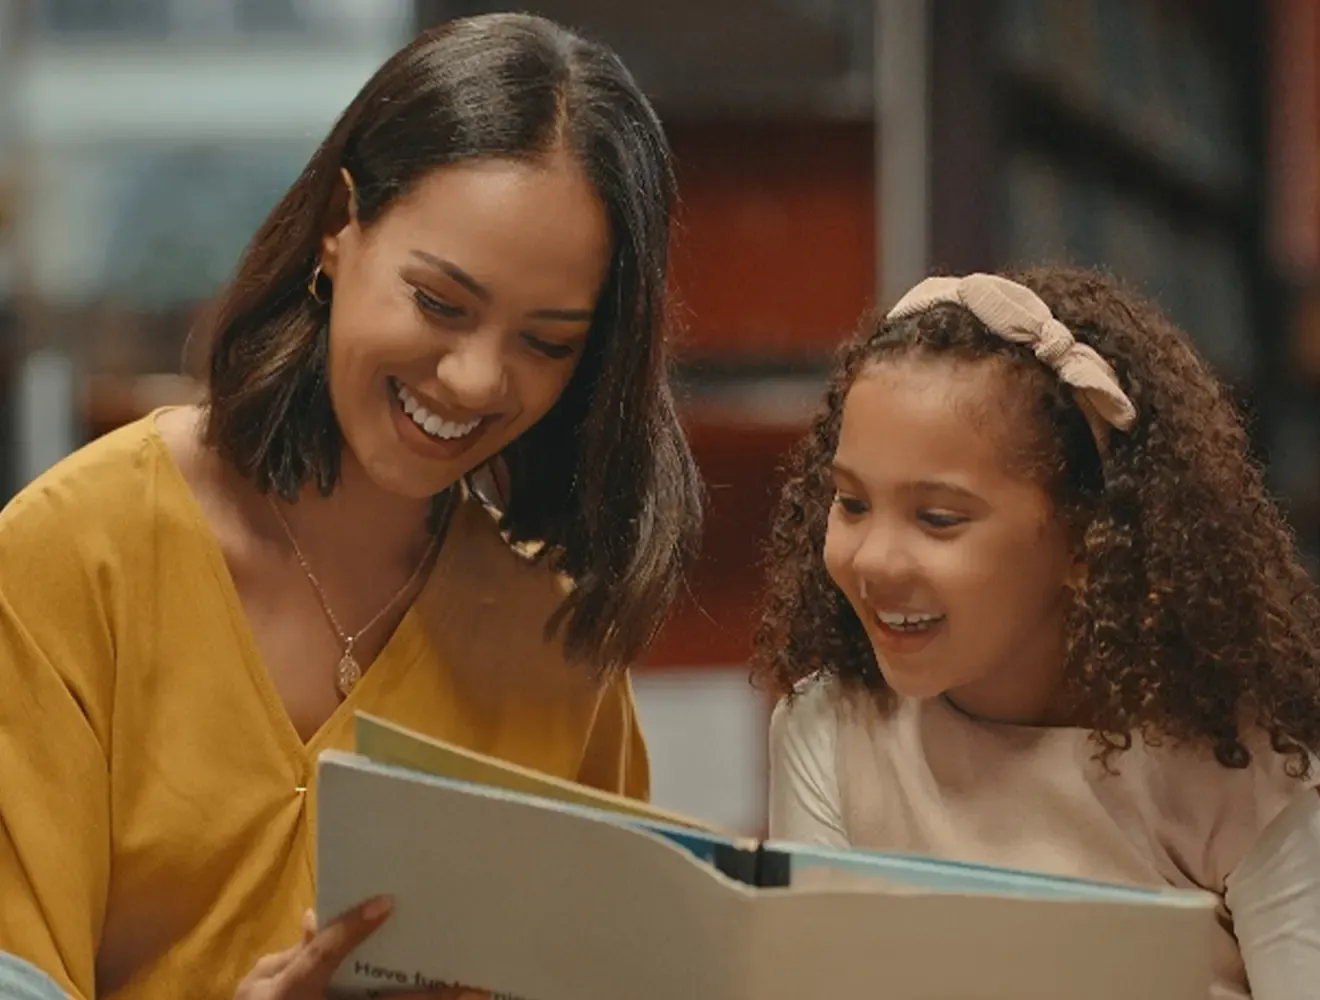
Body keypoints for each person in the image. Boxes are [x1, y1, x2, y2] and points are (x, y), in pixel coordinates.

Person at [0, 12, 702, 1000]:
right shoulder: (73, 556)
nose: (473, 378)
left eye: (546, 342)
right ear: (340, 228)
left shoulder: (560, 649)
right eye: (440, 303)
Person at [756, 267, 1320, 998]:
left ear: (1086, 539)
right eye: (852, 503)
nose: (874, 560)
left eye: (938, 518)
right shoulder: (828, 733)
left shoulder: (1238, 765)